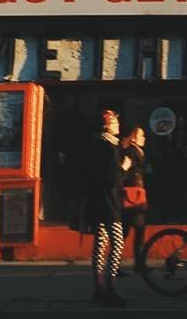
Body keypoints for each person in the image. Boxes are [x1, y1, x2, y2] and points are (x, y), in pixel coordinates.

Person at [83, 108, 131, 307]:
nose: (118, 125)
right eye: (115, 123)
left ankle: (99, 288)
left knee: (100, 245)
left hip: (96, 202)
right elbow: (114, 179)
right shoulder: (111, 147)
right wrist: (125, 166)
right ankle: (111, 289)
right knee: (117, 243)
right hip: (110, 203)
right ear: (107, 126)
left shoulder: (94, 143)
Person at [120, 126, 148, 274]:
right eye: (141, 135)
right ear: (133, 137)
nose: (144, 138)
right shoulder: (132, 151)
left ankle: (120, 264)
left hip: (135, 195)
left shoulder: (136, 151)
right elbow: (124, 168)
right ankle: (139, 264)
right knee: (136, 231)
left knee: (128, 231)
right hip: (133, 197)